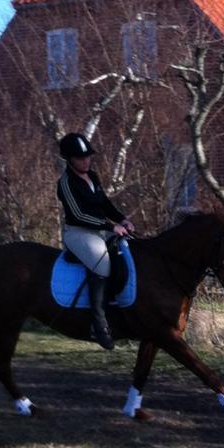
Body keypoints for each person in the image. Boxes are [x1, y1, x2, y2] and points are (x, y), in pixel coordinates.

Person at [56, 132, 135, 350]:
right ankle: (98, 325)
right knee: (103, 263)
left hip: (100, 230)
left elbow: (105, 203)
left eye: (88, 156)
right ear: (69, 159)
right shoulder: (65, 183)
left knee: (129, 251)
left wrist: (123, 219)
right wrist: (112, 226)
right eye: (81, 157)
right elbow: (79, 215)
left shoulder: (93, 176)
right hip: (79, 233)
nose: (86, 160)